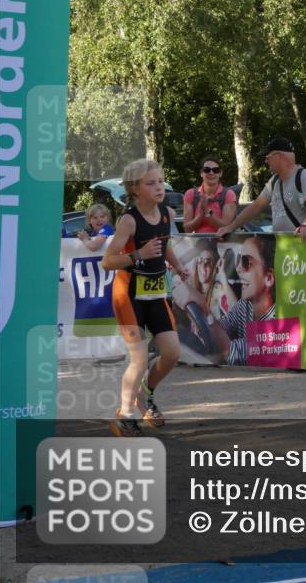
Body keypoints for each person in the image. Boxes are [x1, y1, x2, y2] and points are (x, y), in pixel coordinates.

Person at [102, 159, 189, 437]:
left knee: (172, 353)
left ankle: (145, 393)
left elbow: (164, 244)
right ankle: (125, 414)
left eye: (161, 181)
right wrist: (138, 255)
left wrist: (177, 265)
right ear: (134, 189)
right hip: (127, 295)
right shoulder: (128, 219)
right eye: (151, 183)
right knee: (139, 360)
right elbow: (108, 261)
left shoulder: (166, 213)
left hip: (154, 292)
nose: (159, 187)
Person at [217, 137, 306, 240]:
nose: (266, 161)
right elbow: (255, 207)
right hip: (286, 249)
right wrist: (231, 227)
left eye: (268, 157)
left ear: (280, 156)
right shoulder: (274, 181)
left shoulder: (305, 175)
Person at [216, 236, 276, 365]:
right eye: (238, 261)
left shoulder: (277, 318)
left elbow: (230, 351)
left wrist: (203, 312)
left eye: (246, 262)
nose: (238, 268)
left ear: (269, 278)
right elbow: (221, 329)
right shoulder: (244, 305)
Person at [182, 156, 238, 234]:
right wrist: (201, 215)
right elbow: (187, 229)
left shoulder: (228, 195)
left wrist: (207, 210)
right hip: (198, 243)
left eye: (215, 170)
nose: (211, 173)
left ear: (220, 173)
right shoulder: (190, 194)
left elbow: (226, 228)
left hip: (222, 244)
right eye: (207, 170)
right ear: (201, 173)